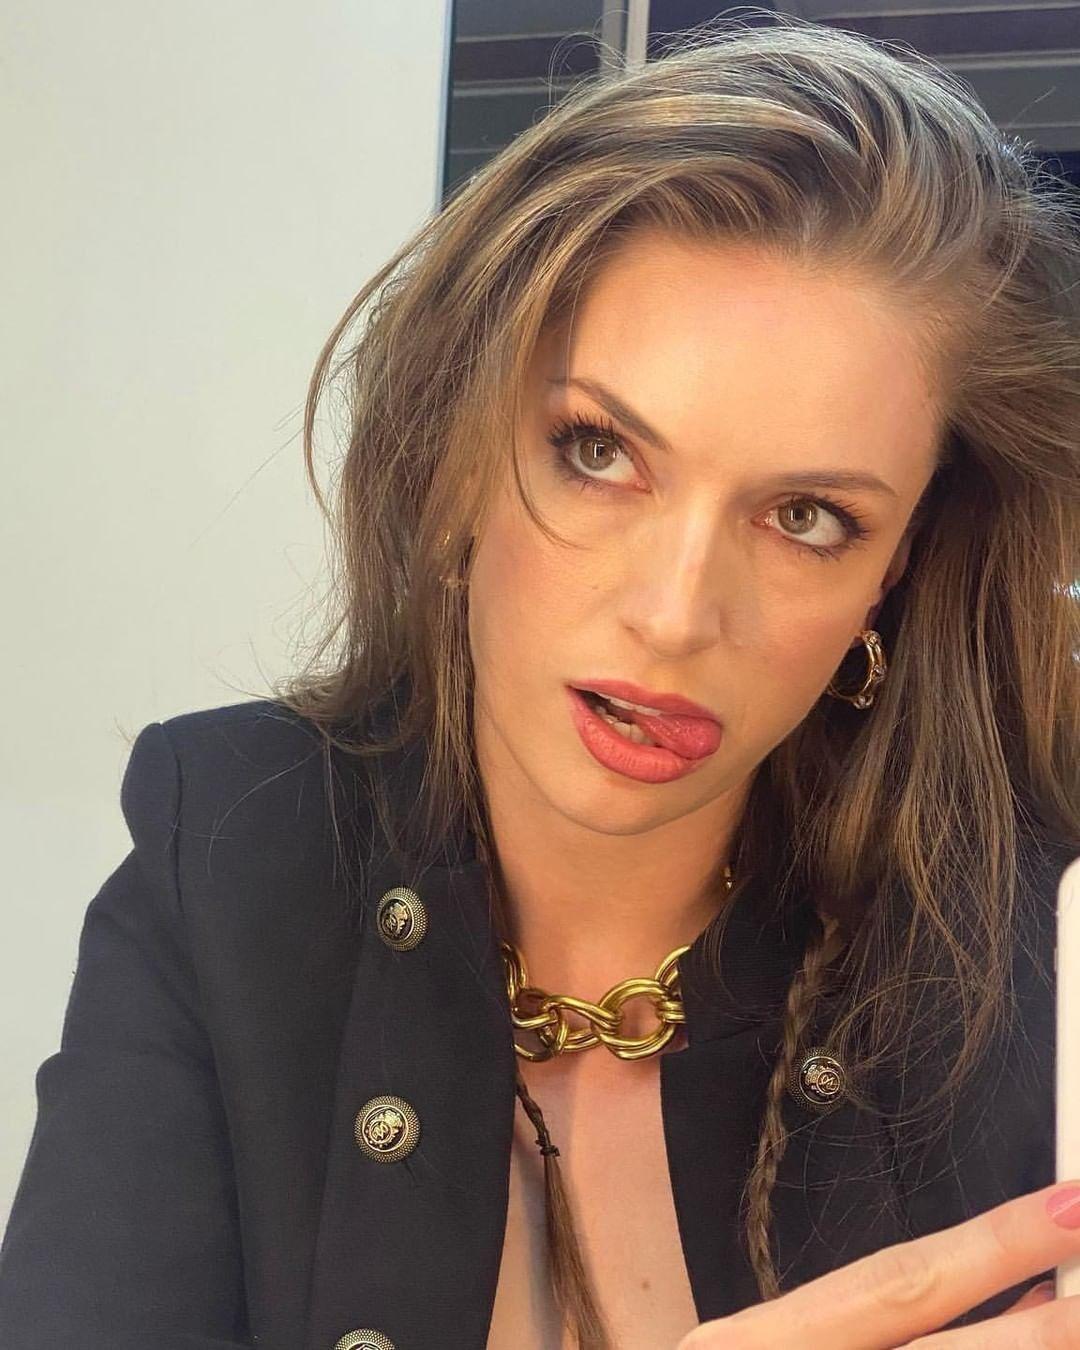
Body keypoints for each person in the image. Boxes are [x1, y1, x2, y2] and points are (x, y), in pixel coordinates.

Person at [1, 13, 1078, 1350]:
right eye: (599, 451)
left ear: (895, 569)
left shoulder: (1025, 974)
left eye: (807, 517)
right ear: (459, 445)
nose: (674, 614)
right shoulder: (231, 851)